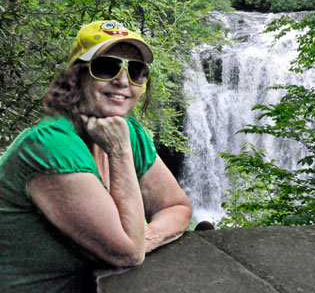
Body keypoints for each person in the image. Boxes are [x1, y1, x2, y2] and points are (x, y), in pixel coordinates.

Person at [0, 20, 193, 292]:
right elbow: (128, 252)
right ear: (76, 77)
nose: (123, 81)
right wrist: (119, 151)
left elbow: (178, 207)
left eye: (136, 71)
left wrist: (148, 235)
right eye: (106, 67)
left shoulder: (129, 133)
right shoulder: (48, 145)